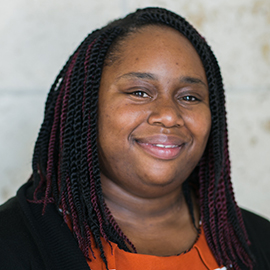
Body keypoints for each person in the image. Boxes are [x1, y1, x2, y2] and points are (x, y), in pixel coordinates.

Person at [0, 7, 269, 270]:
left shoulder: (255, 241)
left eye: (190, 97)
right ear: (86, 106)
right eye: (139, 92)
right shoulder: (12, 244)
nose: (168, 115)